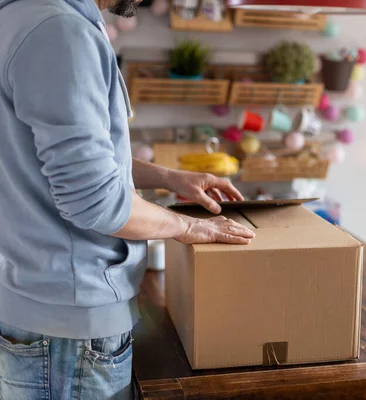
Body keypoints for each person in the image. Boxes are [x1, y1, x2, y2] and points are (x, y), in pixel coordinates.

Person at [0, 0, 256, 398]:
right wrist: (188, 226)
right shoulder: (59, 32)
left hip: (42, 309)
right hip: (70, 329)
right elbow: (94, 200)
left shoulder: (22, 16)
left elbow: (69, 158)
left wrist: (169, 178)